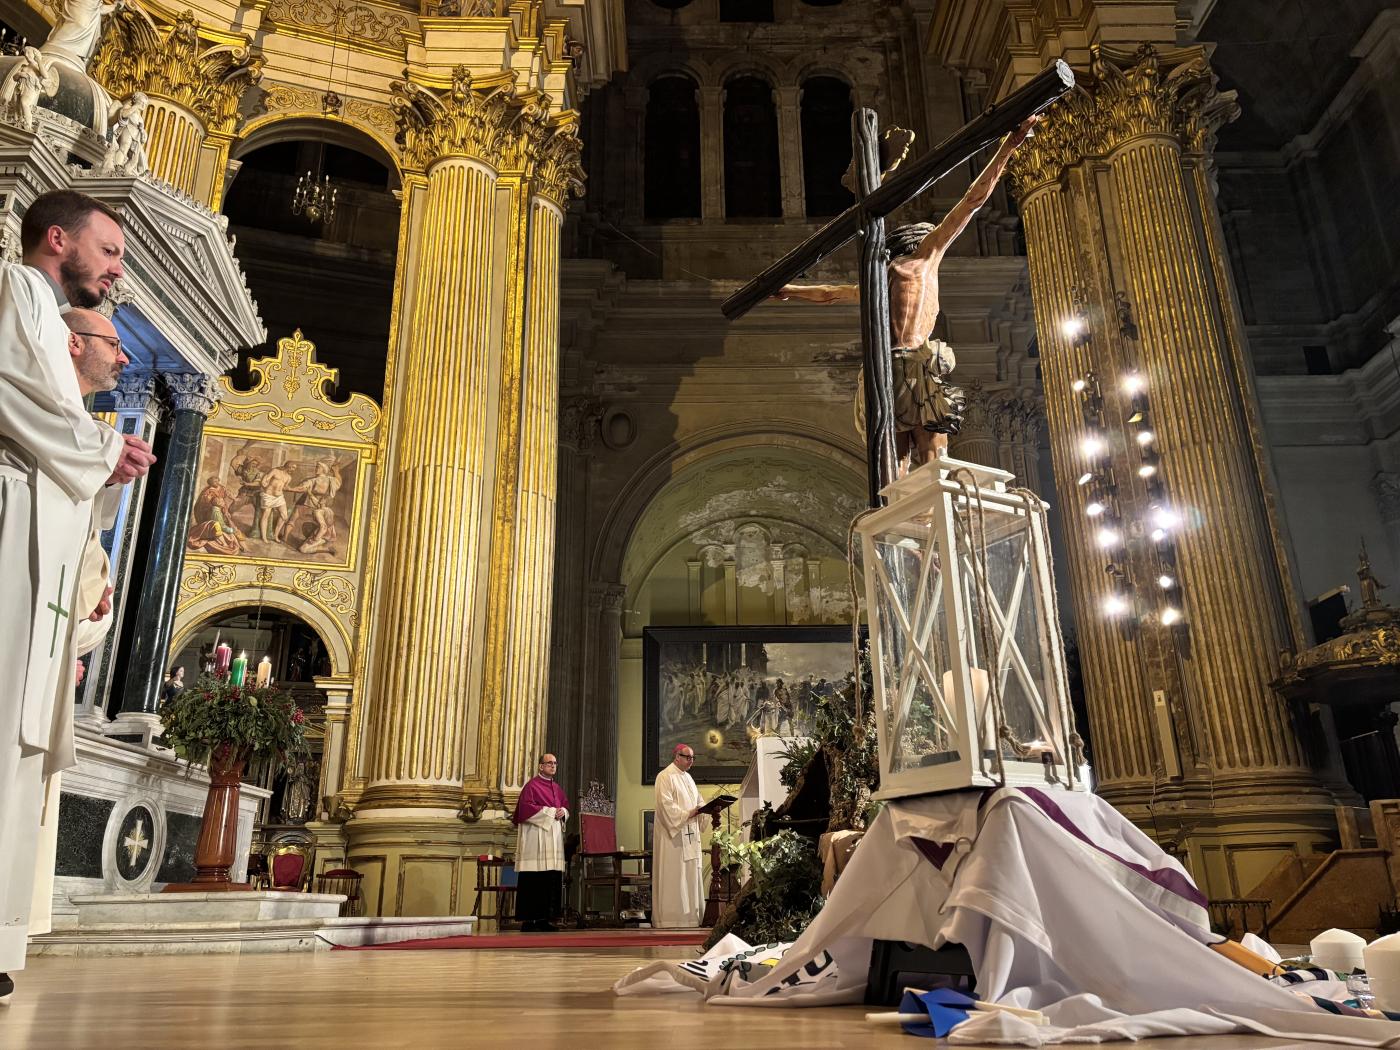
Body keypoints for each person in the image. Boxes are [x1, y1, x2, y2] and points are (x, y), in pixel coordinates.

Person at [1, 201, 155, 1000]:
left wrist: (102, 466)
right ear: (57, 238)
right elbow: (7, 393)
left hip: (40, 538)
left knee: (15, 745)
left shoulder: (40, 311)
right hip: (11, 526)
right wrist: (101, 446)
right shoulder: (20, 290)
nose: (117, 267)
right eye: (110, 249)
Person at [777, 117, 1038, 472]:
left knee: (894, 466)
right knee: (934, 457)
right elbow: (972, 200)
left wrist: (790, 290)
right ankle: (930, 518)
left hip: (882, 372)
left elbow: (829, 294)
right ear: (921, 239)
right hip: (914, 366)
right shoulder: (923, 260)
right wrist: (1010, 145)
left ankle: (900, 520)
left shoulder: (879, 278)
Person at [511, 753, 569, 932]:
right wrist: (552, 812)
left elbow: (565, 806)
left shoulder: (557, 788)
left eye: (555, 763)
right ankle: (529, 921)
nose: (553, 766)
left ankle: (545, 919)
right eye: (549, 763)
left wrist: (563, 812)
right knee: (533, 879)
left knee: (550, 878)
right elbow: (525, 809)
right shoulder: (531, 786)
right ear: (540, 766)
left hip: (553, 839)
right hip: (535, 839)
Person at [652, 743, 705, 928]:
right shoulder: (665, 776)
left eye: (693, 758)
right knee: (675, 875)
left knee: (689, 874)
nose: (691, 761)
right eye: (688, 757)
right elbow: (665, 805)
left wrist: (705, 810)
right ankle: (671, 918)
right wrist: (688, 814)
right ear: (677, 757)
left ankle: (690, 918)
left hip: (689, 835)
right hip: (672, 838)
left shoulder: (688, 778)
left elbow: (699, 801)